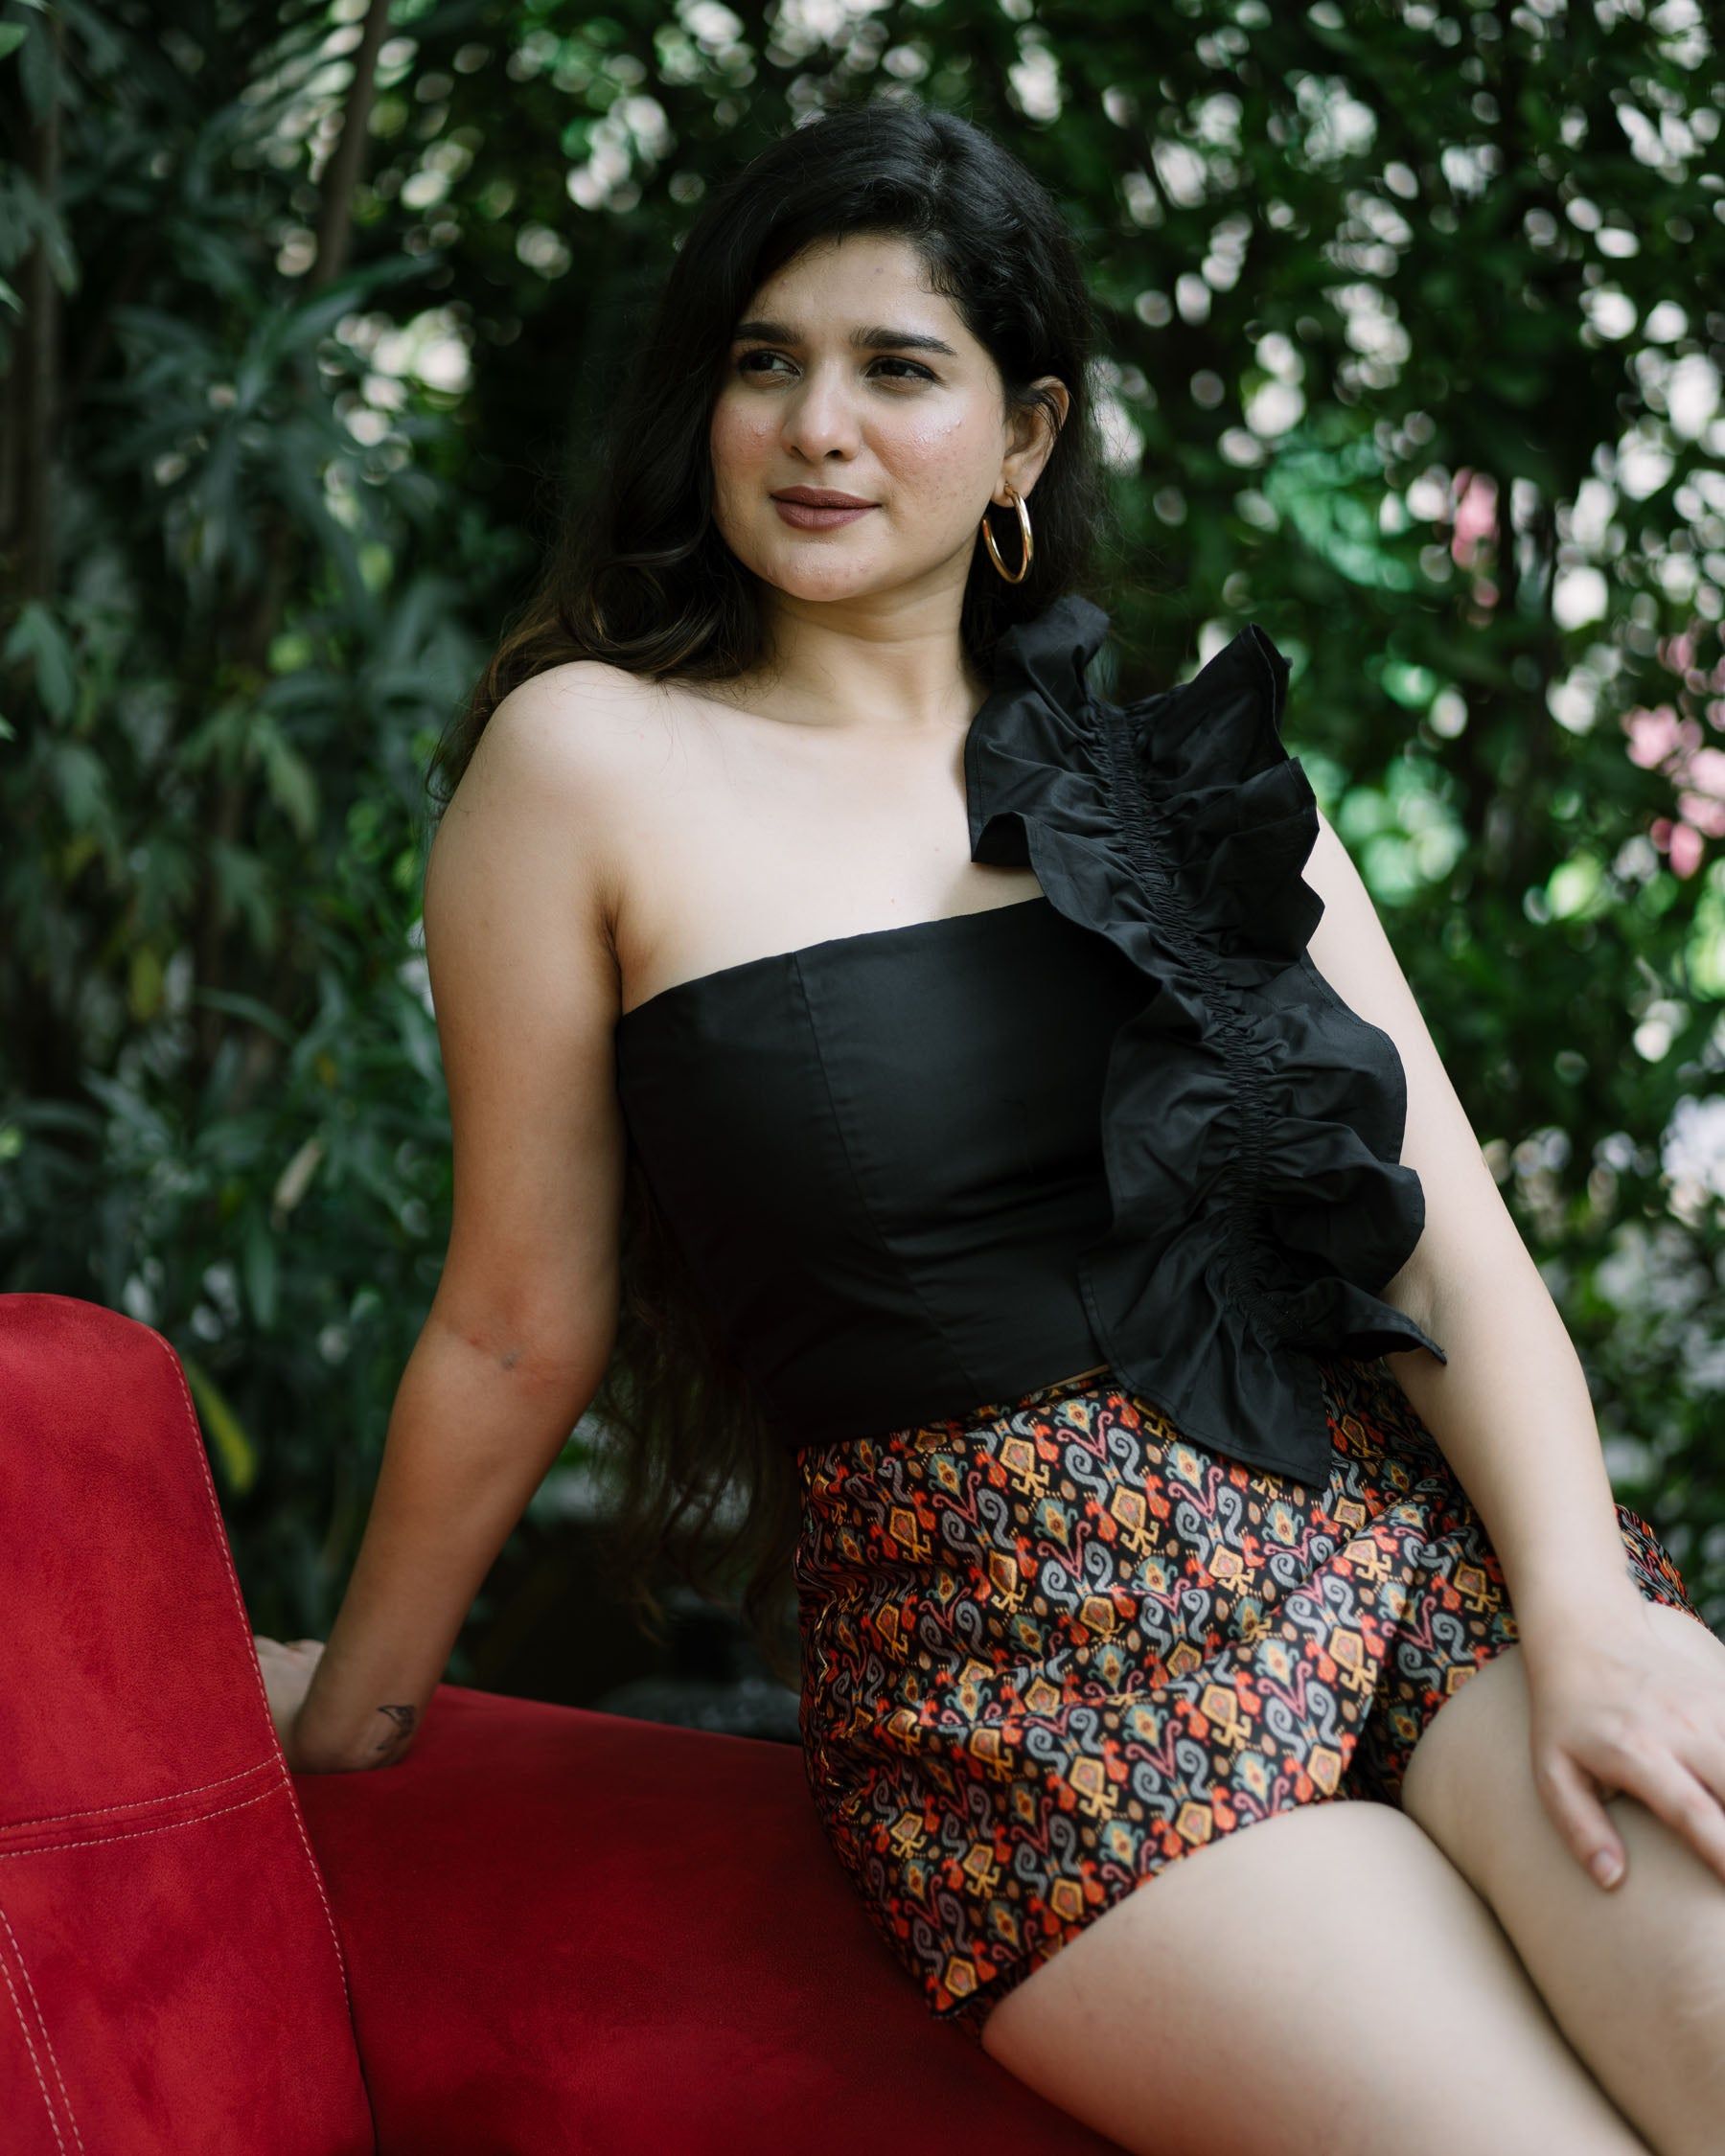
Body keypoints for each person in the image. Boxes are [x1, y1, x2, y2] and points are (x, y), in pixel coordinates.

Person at [254, 98, 1725, 2156]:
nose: (818, 428)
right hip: (1034, 1683)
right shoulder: (586, 761)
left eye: (898, 368)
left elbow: (1444, 1244)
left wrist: (1582, 1616)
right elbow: (517, 1324)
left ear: (1025, 439)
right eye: (766, 362)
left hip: (1410, 1551)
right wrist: (352, 1715)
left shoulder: (1185, 784)